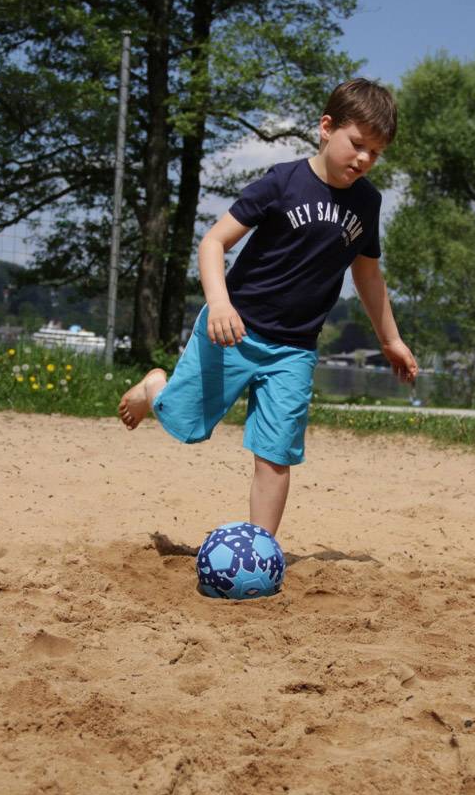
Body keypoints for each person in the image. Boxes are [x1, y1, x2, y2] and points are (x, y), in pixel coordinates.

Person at [119, 78, 417, 537]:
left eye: (375, 153)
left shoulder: (367, 202)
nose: (363, 160)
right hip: (233, 330)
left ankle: (261, 551)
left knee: (275, 455)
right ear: (325, 127)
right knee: (185, 426)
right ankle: (155, 386)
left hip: (294, 350)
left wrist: (391, 339)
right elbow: (213, 242)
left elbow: (367, 274)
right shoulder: (283, 182)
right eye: (357, 145)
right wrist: (219, 304)